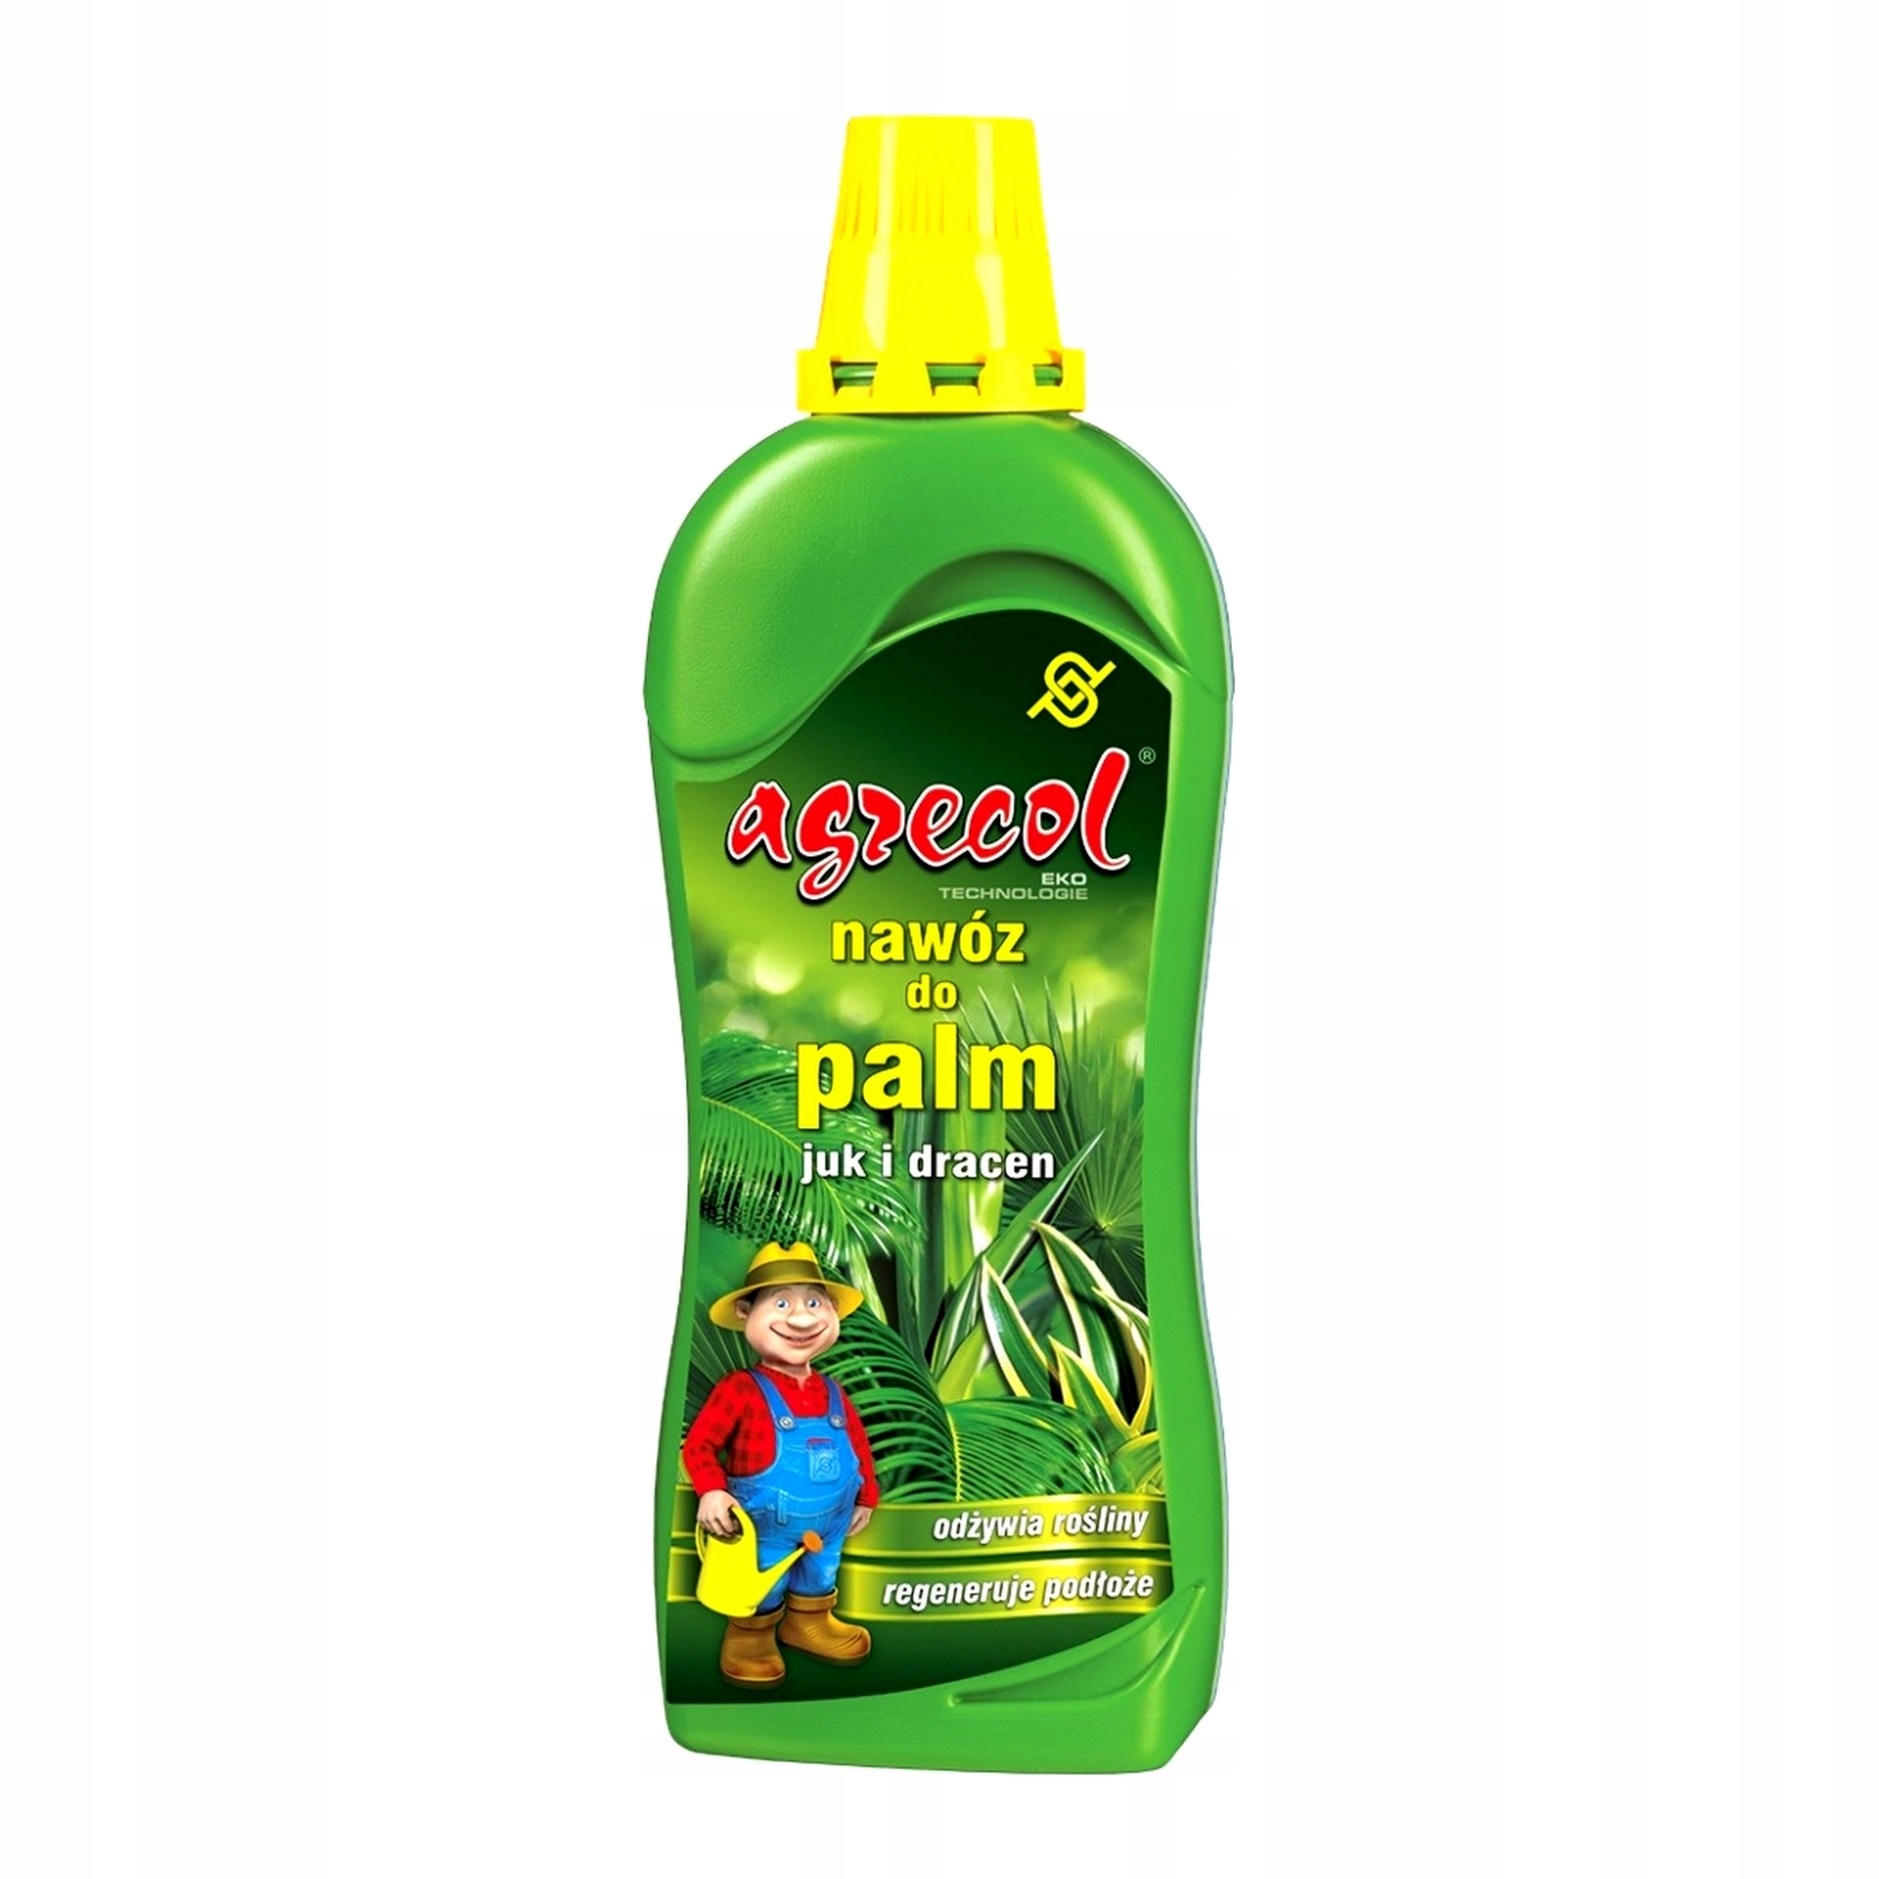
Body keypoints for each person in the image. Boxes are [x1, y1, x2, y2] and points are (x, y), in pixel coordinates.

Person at [683, 1241, 879, 1684]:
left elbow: (858, 1445)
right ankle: (750, 1637)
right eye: (782, 1303)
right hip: (765, 1526)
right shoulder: (741, 1388)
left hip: (830, 1522)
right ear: (745, 1313)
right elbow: (699, 1445)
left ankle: (809, 1623)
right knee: (762, 1582)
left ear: (832, 1312)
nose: (802, 1319)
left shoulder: (833, 1391)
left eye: (814, 1303)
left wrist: (867, 1495)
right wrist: (711, 1490)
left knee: (821, 1571)